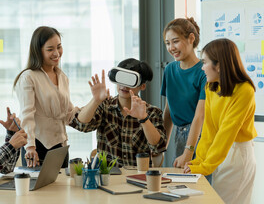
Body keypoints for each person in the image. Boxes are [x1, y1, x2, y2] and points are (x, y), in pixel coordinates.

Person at [184, 38, 257, 204]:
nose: (202, 67)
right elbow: (209, 130)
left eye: (205, 62)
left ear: (219, 65)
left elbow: (226, 133)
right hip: (220, 154)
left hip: (238, 155)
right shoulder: (211, 87)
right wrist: (199, 160)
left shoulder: (245, 90)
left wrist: (205, 167)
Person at [70, 58, 166, 167]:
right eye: (121, 78)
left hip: (138, 177)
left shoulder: (152, 112)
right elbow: (81, 125)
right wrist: (95, 100)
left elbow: (158, 147)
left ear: (142, 85)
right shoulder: (105, 106)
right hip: (107, 178)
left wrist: (144, 119)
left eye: (130, 80)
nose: (124, 85)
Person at [13, 26, 78, 168]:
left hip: (60, 147)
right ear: (38, 51)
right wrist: (30, 146)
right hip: (37, 147)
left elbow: (69, 113)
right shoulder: (28, 77)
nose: (57, 53)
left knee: (61, 189)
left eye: (59, 47)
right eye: (50, 49)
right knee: (38, 190)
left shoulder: (62, 77)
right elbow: (27, 115)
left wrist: (96, 100)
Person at [161, 17, 206, 168]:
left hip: (200, 136)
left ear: (191, 38)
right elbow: (169, 110)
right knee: (180, 187)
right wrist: (160, 148)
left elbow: (200, 116)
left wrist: (188, 152)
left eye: (175, 41)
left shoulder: (204, 71)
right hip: (179, 136)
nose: (171, 47)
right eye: (167, 43)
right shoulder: (169, 70)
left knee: (201, 188)